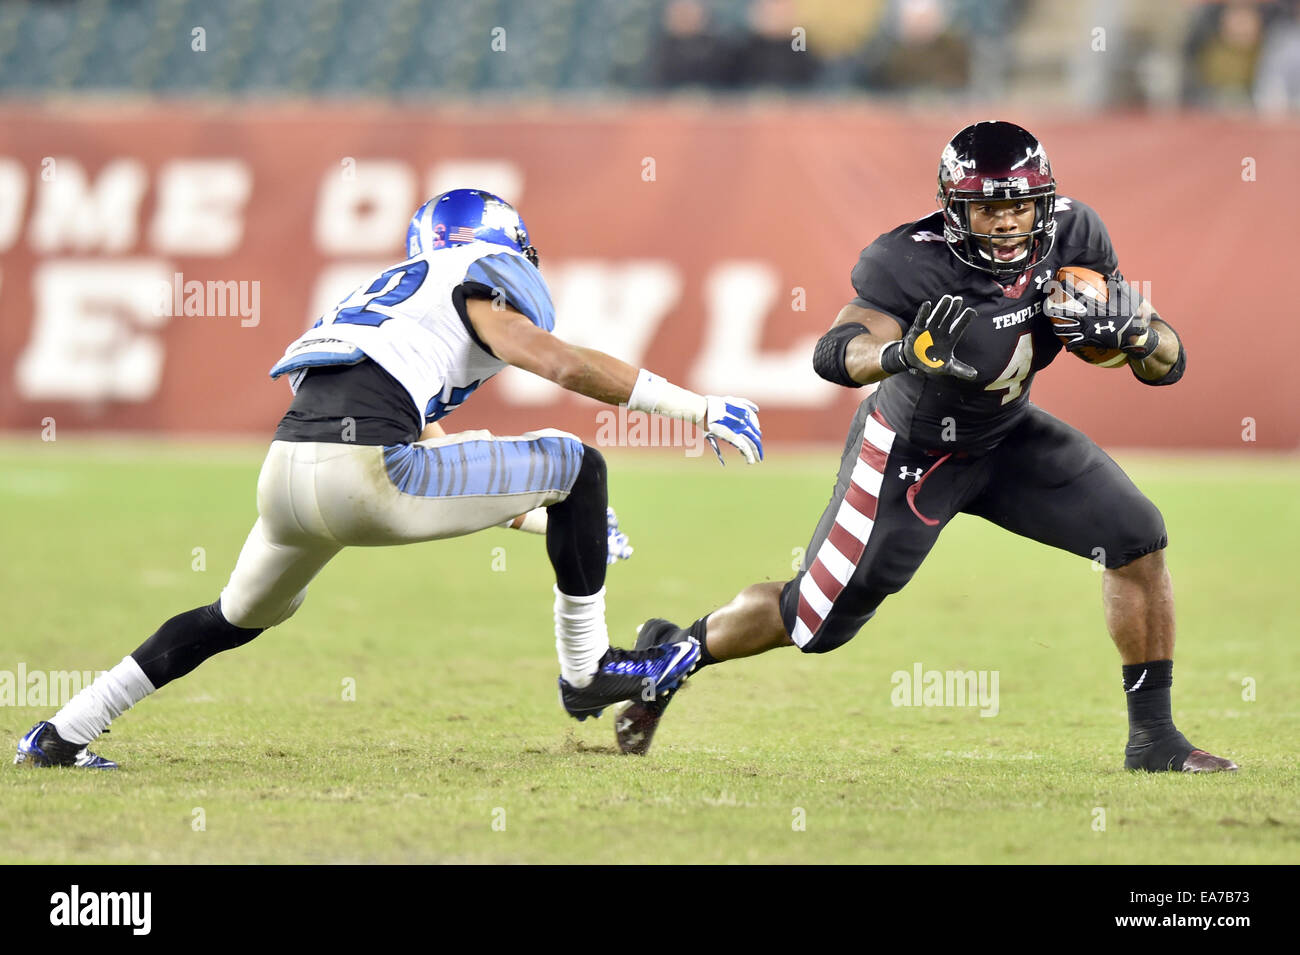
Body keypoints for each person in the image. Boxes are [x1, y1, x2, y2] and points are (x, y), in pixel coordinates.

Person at [15, 189, 763, 770]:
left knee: (230, 616)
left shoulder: (388, 293)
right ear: (502, 243)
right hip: (365, 470)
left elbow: (438, 461)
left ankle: (60, 733)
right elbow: (560, 363)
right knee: (580, 463)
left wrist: (546, 518)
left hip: (286, 476)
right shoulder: (480, 276)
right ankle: (589, 671)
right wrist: (696, 407)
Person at [614, 122, 1236, 774]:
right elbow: (835, 352)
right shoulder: (910, 260)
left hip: (1004, 434)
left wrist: (1135, 335)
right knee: (815, 621)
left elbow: (1169, 361)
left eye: (1019, 205)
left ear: (1044, 201)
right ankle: (672, 653)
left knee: (1137, 534)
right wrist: (897, 353)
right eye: (989, 208)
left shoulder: (1075, 236)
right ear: (953, 208)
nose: (1005, 223)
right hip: (910, 454)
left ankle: (1154, 740)